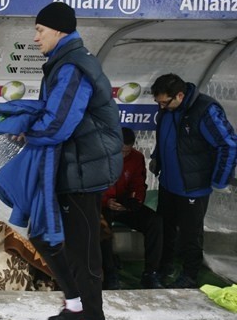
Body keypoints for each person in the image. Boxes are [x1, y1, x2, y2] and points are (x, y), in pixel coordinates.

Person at [26, 2, 123, 320]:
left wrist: (27, 133)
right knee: (46, 236)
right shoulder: (61, 64)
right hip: (69, 167)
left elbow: (58, 122)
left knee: (84, 255)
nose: (35, 37)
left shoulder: (72, 66)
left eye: (40, 30)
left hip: (83, 171)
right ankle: (76, 304)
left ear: (59, 31)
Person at [150, 73, 237, 289]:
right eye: (158, 103)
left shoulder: (204, 110)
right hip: (168, 184)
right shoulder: (167, 111)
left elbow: (228, 144)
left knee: (191, 235)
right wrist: (156, 159)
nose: (161, 107)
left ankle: (190, 275)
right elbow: (165, 139)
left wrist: (219, 180)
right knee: (165, 228)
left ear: (179, 95)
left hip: (193, 188)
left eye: (164, 102)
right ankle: (165, 266)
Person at [101, 127, 164, 289]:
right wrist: (106, 201)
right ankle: (109, 273)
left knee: (155, 222)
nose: (124, 155)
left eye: (127, 151)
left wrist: (135, 201)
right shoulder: (101, 155)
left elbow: (139, 184)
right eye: (121, 151)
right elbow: (92, 186)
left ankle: (151, 273)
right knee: (101, 226)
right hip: (103, 204)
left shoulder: (136, 158)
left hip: (125, 204)